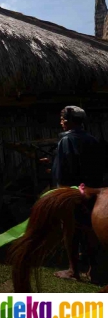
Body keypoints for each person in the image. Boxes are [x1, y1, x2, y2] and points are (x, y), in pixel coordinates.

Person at [40, 106, 105, 282]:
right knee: (90, 229)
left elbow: (64, 171)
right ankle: (94, 269)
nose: (60, 121)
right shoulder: (92, 139)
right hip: (92, 192)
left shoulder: (66, 140)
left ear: (68, 121)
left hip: (72, 193)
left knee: (70, 230)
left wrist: (62, 194)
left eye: (62, 118)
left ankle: (73, 270)